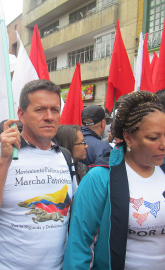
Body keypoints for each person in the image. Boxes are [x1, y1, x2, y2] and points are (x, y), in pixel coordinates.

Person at [0, 79, 77, 270]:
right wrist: (4, 160)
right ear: (21, 114)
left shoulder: (65, 157)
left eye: (55, 109)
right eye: (40, 110)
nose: (49, 117)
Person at [63, 91, 165, 269]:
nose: (163, 144)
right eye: (153, 138)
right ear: (128, 138)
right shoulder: (100, 179)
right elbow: (80, 246)